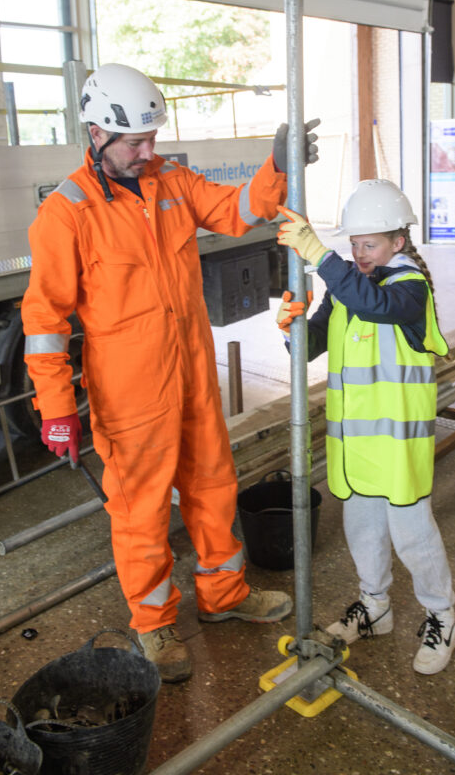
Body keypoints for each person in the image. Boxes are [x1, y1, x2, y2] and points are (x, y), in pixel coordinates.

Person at [21, 63, 319, 683]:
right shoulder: (67, 212)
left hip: (192, 378)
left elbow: (237, 211)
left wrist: (278, 164)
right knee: (142, 513)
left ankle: (224, 595)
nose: (147, 151)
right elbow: (45, 320)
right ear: (97, 135)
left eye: (152, 138)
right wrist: (56, 409)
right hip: (129, 395)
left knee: (214, 487)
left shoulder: (172, 183)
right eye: (135, 142)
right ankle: (154, 624)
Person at [276, 179, 455, 676]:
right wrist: (291, 328)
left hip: (397, 446)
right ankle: (375, 607)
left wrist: (320, 255)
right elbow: (311, 345)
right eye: (354, 244)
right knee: (362, 531)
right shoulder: (346, 288)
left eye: (370, 244)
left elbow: (376, 306)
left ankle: (441, 617)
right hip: (354, 445)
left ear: (398, 242)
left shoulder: (410, 287)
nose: (359, 254)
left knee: (413, 536)